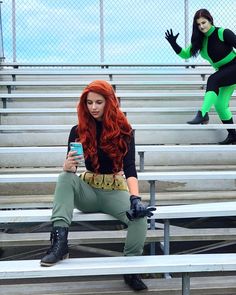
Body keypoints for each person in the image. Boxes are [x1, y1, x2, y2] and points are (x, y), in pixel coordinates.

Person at [40, 80, 155, 291]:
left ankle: (131, 271)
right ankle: (59, 243)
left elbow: (130, 168)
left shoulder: (125, 130)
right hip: (89, 190)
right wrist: (67, 165)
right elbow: (72, 170)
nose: (93, 107)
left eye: (98, 102)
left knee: (140, 219)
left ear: (109, 102)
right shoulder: (77, 130)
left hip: (114, 190)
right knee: (64, 178)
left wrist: (135, 198)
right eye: (89, 102)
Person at [165, 8, 236, 144]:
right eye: (198, 24)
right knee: (220, 105)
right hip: (224, 73)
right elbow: (185, 54)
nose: (201, 26)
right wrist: (173, 43)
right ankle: (233, 135)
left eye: (204, 22)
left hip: (234, 66)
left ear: (210, 20)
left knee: (213, 79)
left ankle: (203, 113)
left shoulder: (222, 33)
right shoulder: (200, 41)